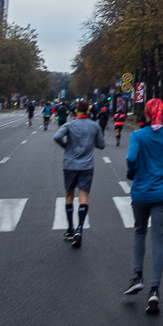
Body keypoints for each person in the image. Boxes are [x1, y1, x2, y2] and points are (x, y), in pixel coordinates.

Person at [125, 98, 163, 314]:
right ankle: (154, 290)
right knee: (158, 238)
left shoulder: (137, 135)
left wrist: (132, 172)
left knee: (139, 231)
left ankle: (138, 276)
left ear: (147, 114)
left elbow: (131, 158)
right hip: (161, 195)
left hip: (140, 192)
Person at [53, 100, 105, 248]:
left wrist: (66, 146)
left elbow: (56, 137)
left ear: (76, 111)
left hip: (70, 164)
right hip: (87, 166)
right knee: (84, 197)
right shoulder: (94, 126)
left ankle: (70, 228)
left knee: (69, 195)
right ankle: (80, 229)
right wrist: (89, 143)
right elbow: (101, 145)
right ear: (88, 111)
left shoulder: (70, 125)